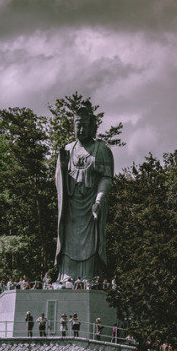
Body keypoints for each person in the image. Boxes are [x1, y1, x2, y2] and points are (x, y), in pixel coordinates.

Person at [54, 100, 114, 282]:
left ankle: (89, 277)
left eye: (85, 126)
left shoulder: (101, 150)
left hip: (90, 208)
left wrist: (99, 201)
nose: (81, 130)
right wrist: (63, 167)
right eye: (78, 126)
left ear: (93, 127)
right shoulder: (66, 149)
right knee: (68, 243)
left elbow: (106, 178)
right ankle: (66, 277)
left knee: (90, 244)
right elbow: (58, 178)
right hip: (71, 209)